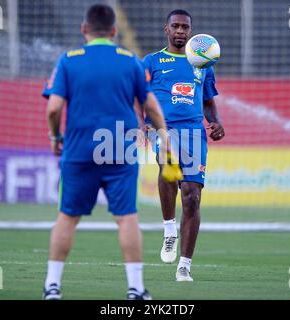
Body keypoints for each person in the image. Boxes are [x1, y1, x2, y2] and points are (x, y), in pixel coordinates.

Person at [41, 4, 180, 300]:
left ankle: (52, 286)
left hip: (79, 149)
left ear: (84, 30)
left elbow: (53, 107)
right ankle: (136, 289)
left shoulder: (69, 60)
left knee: (67, 217)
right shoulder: (129, 60)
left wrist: (55, 136)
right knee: (127, 218)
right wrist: (165, 135)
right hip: (119, 147)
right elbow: (151, 105)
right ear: (115, 32)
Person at [139, 9, 225, 281]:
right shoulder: (152, 61)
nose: (180, 31)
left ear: (190, 31)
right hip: (164, 129)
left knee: (192, 195)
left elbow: (208, 100)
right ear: (166, 29)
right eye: (175, 26)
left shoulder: (202, 63)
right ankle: (168, 229)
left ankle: (185, 264)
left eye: (184, 27)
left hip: (193, 133)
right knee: (167, 167)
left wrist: (216, 122)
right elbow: (139, 95)